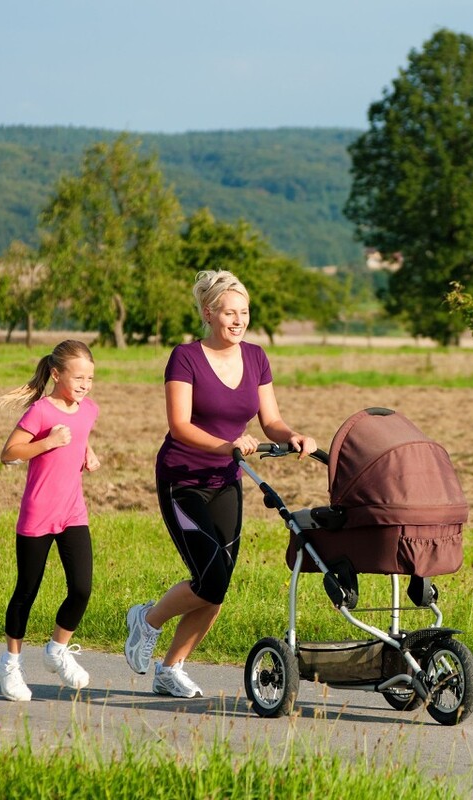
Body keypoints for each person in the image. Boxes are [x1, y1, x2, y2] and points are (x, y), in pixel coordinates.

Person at [124, 270, 317, 698]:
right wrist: (226, 444)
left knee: (218, 586)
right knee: (209, 577)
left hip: (226, 480)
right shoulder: (185, 357)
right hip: (183, 480)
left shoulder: (257, 357)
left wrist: (293, 436)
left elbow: (271, 420)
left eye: (244, 313)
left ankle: (170, 670)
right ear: (209, 313)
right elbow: (179, 425)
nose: (238, 320)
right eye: (230, 312)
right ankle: (147, 620)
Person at [0, 339, 101, 702]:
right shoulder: (40, 412)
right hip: (39, 512)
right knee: (27, 590)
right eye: (78, 377)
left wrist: (87, 452)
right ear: (56, 374)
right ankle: (10, 664)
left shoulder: (89, 409)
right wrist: (48, 442)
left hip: (73, 511)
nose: (85, 384)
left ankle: (57, 650)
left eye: (90, 378)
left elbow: (79, 433)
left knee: (81, 588)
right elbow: (9, 453)